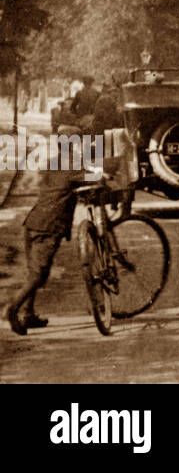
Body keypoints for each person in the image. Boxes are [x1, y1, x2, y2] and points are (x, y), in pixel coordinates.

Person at [5, 125, 83, 335]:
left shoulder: (52, 163)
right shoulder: (74, 166)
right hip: (49, 227)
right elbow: (97, 178)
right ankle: (13, 307)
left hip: (33, 222)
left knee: (36, 272)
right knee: (38, 275)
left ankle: (28, 313)